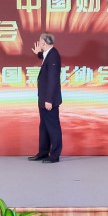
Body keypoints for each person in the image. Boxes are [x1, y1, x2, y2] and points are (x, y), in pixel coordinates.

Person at [29, 32, 63, 163]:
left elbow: (53, 80)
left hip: (49, 100)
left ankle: (54, 155)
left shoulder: (53, 56)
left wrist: (49, 100)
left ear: (43, 42)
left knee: (53, 127)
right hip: (43, 98)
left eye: (40, 41)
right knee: (44, 126)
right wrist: (38, 54)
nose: (39, 43)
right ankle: (43, 152)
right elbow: (44, 57)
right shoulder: (49, 54)